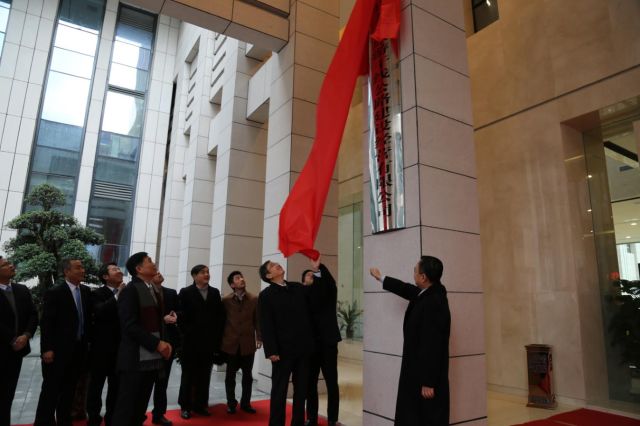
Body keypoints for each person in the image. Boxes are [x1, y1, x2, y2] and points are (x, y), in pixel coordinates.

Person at [369, 256, 451, 426]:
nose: (413, 274)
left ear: (423, 277)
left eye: (415, 271)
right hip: (417, 372)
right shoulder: (428, 292)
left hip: (424, 378)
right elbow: (405, 288)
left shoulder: (434, 302)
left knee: (425, 418)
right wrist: (381, 277)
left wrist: (428, 382)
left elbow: (433, 345)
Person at [111, 252, 172, 426]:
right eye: (149, 261)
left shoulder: (151, 289)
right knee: (126, 408)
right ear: (138, 269)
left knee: (140, 407)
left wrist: (164, 343)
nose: (154, 263)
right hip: (134, 359)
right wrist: (157, 344)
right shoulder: (130, 291)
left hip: (150, 359)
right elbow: (129, 326)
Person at [34, 258, 93, 426]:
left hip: (79, 349)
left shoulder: (86, 291)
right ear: (67, 271)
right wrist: (47, 349)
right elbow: (47, 323)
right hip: (57, 351)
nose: (82, 270)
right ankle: (44, 422)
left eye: (82, 267)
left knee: (70, 389)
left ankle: (64, 420)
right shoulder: (55, 292)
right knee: (51, 390)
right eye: (78, 268)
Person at [258, 259, 315, 426]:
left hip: (303, 349)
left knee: (301, 390)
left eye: (277, 263)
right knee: (279, 390)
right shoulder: (266, 295)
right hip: (281, 351)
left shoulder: (297, 287)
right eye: (272, 266)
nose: (277, 265)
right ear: (269, 276)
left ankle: (298, 422)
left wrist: (315, 275)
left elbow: (315, 296)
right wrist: (271, 350)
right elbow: (266, 324)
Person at [178, 265, 225, 420]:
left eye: (207, 272)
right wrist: (187, 332)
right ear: (194, 276)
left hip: (209, 342)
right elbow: (181, 316)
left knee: (204, 375)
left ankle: (201, 405)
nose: (206, 274)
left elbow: (219, 317)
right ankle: (185, 406)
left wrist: (217, 339)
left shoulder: (214, 292)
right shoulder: (186, 292)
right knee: (188, 375)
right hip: (190, 342)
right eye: (203, 272)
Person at [302, 257, 341, 426]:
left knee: (332, 383)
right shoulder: (301, 297)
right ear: (303, 282)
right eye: (308, 275)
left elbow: (330, 283)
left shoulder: (328, 293)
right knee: (310, 383)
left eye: (314, 275)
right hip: (310, 346)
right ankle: (311, 418)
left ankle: (332, 419)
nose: (311, 276)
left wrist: (319, 269)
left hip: (328, 344)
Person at [0, 256, 38, 426]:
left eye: (10, 263)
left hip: (17, 351)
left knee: (8, 395)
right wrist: (12, 339)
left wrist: (26, 335)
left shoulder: (21, 289)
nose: (11, 266)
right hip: (3, 347)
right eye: (6, 264)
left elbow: (33, 314)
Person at [87, 263, 125, 426]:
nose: (119, 271)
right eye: (115, 270)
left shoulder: (127, 292)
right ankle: (93, 416)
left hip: (121, 348)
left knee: (116, 386)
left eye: (119, 269)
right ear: (105, 277)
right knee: (96, 385)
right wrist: (117, 295)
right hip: (101, 349)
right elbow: (100, 311)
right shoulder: (97, 293)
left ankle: (112, 417)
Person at [221, 271, 261, 415]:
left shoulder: (254, 299)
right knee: (230, 376)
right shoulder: (226, 300)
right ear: (232, 284)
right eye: (237, 278)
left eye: (242, 277)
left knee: (247, 376)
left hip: (247, 343)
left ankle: (246, 403)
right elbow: (222, 321)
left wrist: (259, 337)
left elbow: (257, 320)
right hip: (231, 344)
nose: (242, 279)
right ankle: (231, 403)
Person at [150, 271, 180, 426]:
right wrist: (162, 319)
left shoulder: (171, 293)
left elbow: (179, 310)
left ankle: (159, 414)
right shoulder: (143, 292)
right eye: (155, 272)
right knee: (145, 383)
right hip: (149, 344)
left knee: (163, 381)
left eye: (159, 271)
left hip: (168, 342)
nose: (159, 273)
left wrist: (176, 316)